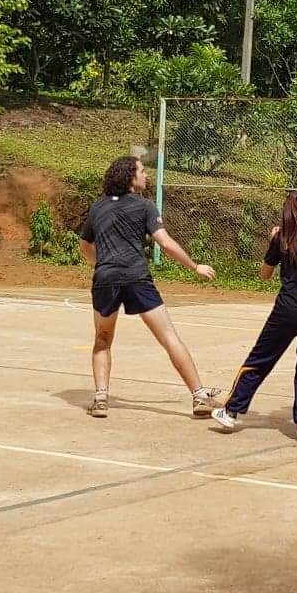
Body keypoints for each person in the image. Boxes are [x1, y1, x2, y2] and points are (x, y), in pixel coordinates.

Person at [79, 154, 219, 418]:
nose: (146, 175)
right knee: (168, 337)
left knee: (102, 340)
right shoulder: (144, 206)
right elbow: (165, 243)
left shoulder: (98, 206)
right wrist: (194, 266)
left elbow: (85, 246)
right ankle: (199, 397)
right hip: (137, 278)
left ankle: (100, 399)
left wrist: (103, 264)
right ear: (130, 177)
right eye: (142, 171)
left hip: (105, 280)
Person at [211, 191, 297, 444]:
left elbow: (265, 274)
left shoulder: (283, 238)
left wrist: (274, 242)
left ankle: (231, 411)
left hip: (286, 311)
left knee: (260, 360)